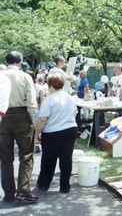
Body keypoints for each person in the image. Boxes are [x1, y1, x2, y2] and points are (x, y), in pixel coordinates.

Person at [0, 51, 38, 203]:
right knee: (26, 155)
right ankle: (23, 190)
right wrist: (34, 122)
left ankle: (9, 194)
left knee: (5, 158)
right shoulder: (25, 76)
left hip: (3, 116)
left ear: (6, 61)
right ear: (20, 62)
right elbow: (31, 103)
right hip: (22, 115)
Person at [35, 74, 78, 193]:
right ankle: (65, 186)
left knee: (49, 159)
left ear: (50, 84)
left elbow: (43, 119)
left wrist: (36, 133)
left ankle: (43, 184)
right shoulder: (69, 97)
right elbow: (74, 113)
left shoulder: (49, 98)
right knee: (66, 159)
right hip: (70, 129)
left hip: (52, 132)